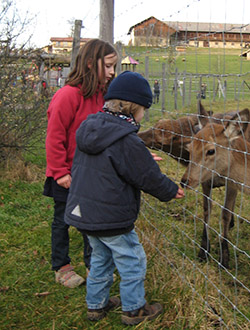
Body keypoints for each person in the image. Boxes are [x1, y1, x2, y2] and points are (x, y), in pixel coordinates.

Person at [64, 71, 185, 325]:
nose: (144, 115)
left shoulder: (90, 128)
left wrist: (139, 156)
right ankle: (134, 309)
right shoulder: (126, 139)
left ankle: (96, 305)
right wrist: (170, 190)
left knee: (100, 259)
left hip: (84, 212)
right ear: (135, 108)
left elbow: (110, 162)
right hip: (112, 217)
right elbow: (145, 175)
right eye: (144, 109)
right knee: (132, 259)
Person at [43, 39, 118, 288]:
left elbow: (110, 134)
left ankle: (92, 264)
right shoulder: (68, 96)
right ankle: (61, 266)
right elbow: (54, 137)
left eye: (113, 66)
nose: (112, 72)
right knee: (63, 219)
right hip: (66, 174)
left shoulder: (104, 98)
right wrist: (60, 172)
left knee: (91, 221)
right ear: (89, 63)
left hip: (91, 174)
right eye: (107, 66)